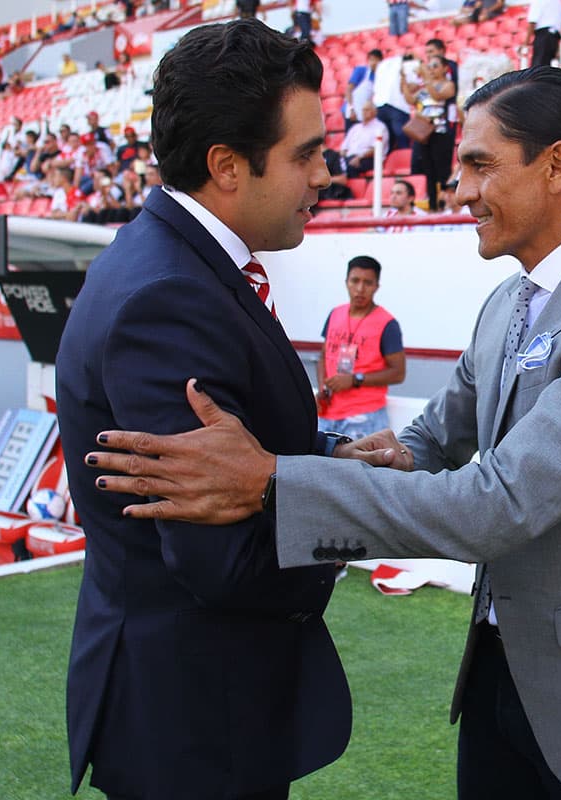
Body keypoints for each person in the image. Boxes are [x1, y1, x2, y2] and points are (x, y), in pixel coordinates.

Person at [87, 66, 561, 800]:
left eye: (479, 165)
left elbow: (497, 505)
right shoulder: (510, 299)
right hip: (498, 675)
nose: (460, 189)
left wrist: (271, 482)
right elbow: (434, 440)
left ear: (557, 165)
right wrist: (369, 454)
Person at [54, 19, 351, 800]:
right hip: (191, 723)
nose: (326, 173)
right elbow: (219, 559)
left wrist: (328, 457)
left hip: (192, 706)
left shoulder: (177, 264)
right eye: (306, 154)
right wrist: (349, 523)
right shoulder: (169, 295)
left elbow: (244, 457)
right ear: (226, 165)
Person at [316, 256, 406, 439]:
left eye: (368, 283)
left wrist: (355, 379)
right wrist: (323, 386)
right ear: (346, 282)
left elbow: (398, 373)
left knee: (358, 468)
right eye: (355, 281)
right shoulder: (335, 314)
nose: (360, 289)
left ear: (376, 286)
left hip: (365, 418)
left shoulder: (387, 323)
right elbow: (323, 357)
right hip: (327, 414)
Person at [402, 55, 457, 210]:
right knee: (429, 172)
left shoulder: (448, 85)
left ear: (445, 68)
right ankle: (433, 206)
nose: (431, 70)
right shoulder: (424, 87)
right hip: (425, 134)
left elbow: (437, 96)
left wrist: (426, 78)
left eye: (435, 66)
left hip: (441, 133)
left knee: (443, 171)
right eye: (430, 66)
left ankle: (447, 204)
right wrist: (404, 81)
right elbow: (411, 100)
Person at [339, 101, 389, 177]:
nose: (364, 112)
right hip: (350, 157)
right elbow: (344, 148)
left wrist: (359, 158)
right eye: (363, 110)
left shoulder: (380, 127)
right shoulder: (355, 128)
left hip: (370, 159)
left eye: (367, 110)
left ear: (374, 112)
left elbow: (376, 149)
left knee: (351, 166)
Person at [343, 49, 383, 129]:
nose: (374, 63)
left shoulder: (379, 78)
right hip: (352, 112)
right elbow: (349, 90)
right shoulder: (361, 71)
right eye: (371, 60)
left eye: (376, 60)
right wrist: (351, 109)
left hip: (365, 114)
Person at [528, 0, 561, 67]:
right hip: (554, 37)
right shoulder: (556, 1)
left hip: (543, 36)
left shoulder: (538, 1)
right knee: (548, 67)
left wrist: (525, 43)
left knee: (539, 67)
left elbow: (532, 21)